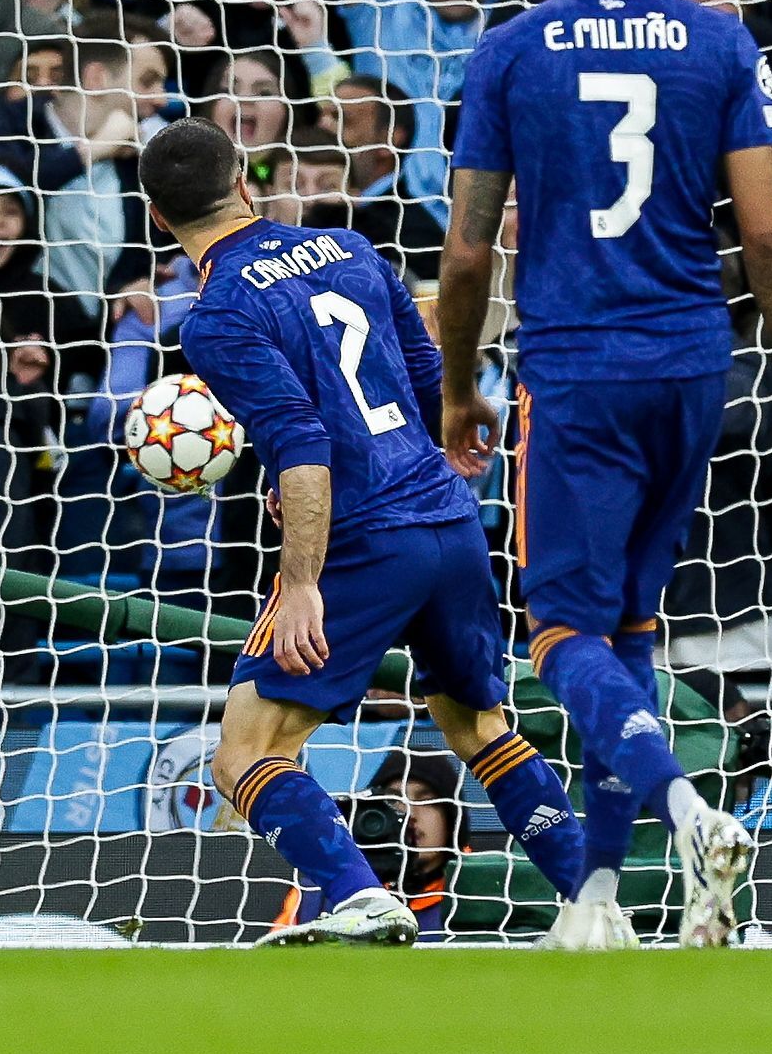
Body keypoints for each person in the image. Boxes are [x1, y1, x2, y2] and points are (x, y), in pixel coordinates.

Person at [437, 0, 772, 950]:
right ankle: (599, 894)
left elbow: (467, 256)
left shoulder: (509, 51)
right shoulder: (718, 42)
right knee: (630, 629)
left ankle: (685, 807)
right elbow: (764, 233)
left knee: (560, 635)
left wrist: (459, 385)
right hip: (696, 365)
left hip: (577, 374)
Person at [137, 118, 592, 949]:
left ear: (158, 220)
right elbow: (426, 375)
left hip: (363, 544)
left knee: (244, 753)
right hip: (450, 521)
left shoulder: (216, 313)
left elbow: (306, 444)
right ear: (244, 181)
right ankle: (593, 900)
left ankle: (356, 892)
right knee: (478, 725)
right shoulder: (348, 246)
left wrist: (303, 580)